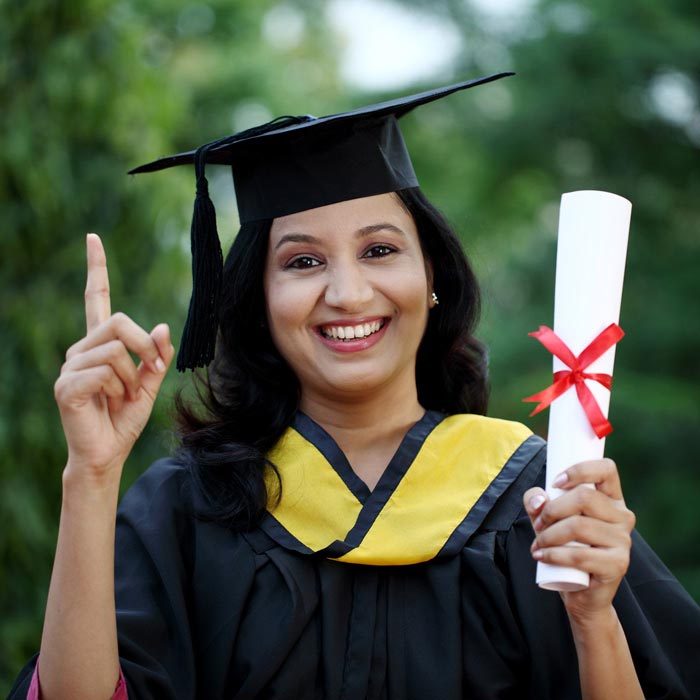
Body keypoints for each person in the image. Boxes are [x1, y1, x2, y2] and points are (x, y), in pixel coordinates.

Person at [8, 73, 700, 700]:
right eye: (303, 261)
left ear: (433, 279)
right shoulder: (187, 507)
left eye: (379, 250)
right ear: (257, 301)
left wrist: (592, 614)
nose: (347, 291)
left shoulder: (541, 498)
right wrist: (92, 477)